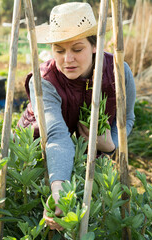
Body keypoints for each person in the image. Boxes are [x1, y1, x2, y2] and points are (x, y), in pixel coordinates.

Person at [17, 2, 136, 231]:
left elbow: (127, 119)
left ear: (95, 45)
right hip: (39, 155)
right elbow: (56, 136)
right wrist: (59, 190)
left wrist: (111, 144)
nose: (67, 59)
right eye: (59, 50)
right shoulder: (44, 81)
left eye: (77, 49)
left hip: (90, 158)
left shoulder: (118, 71)